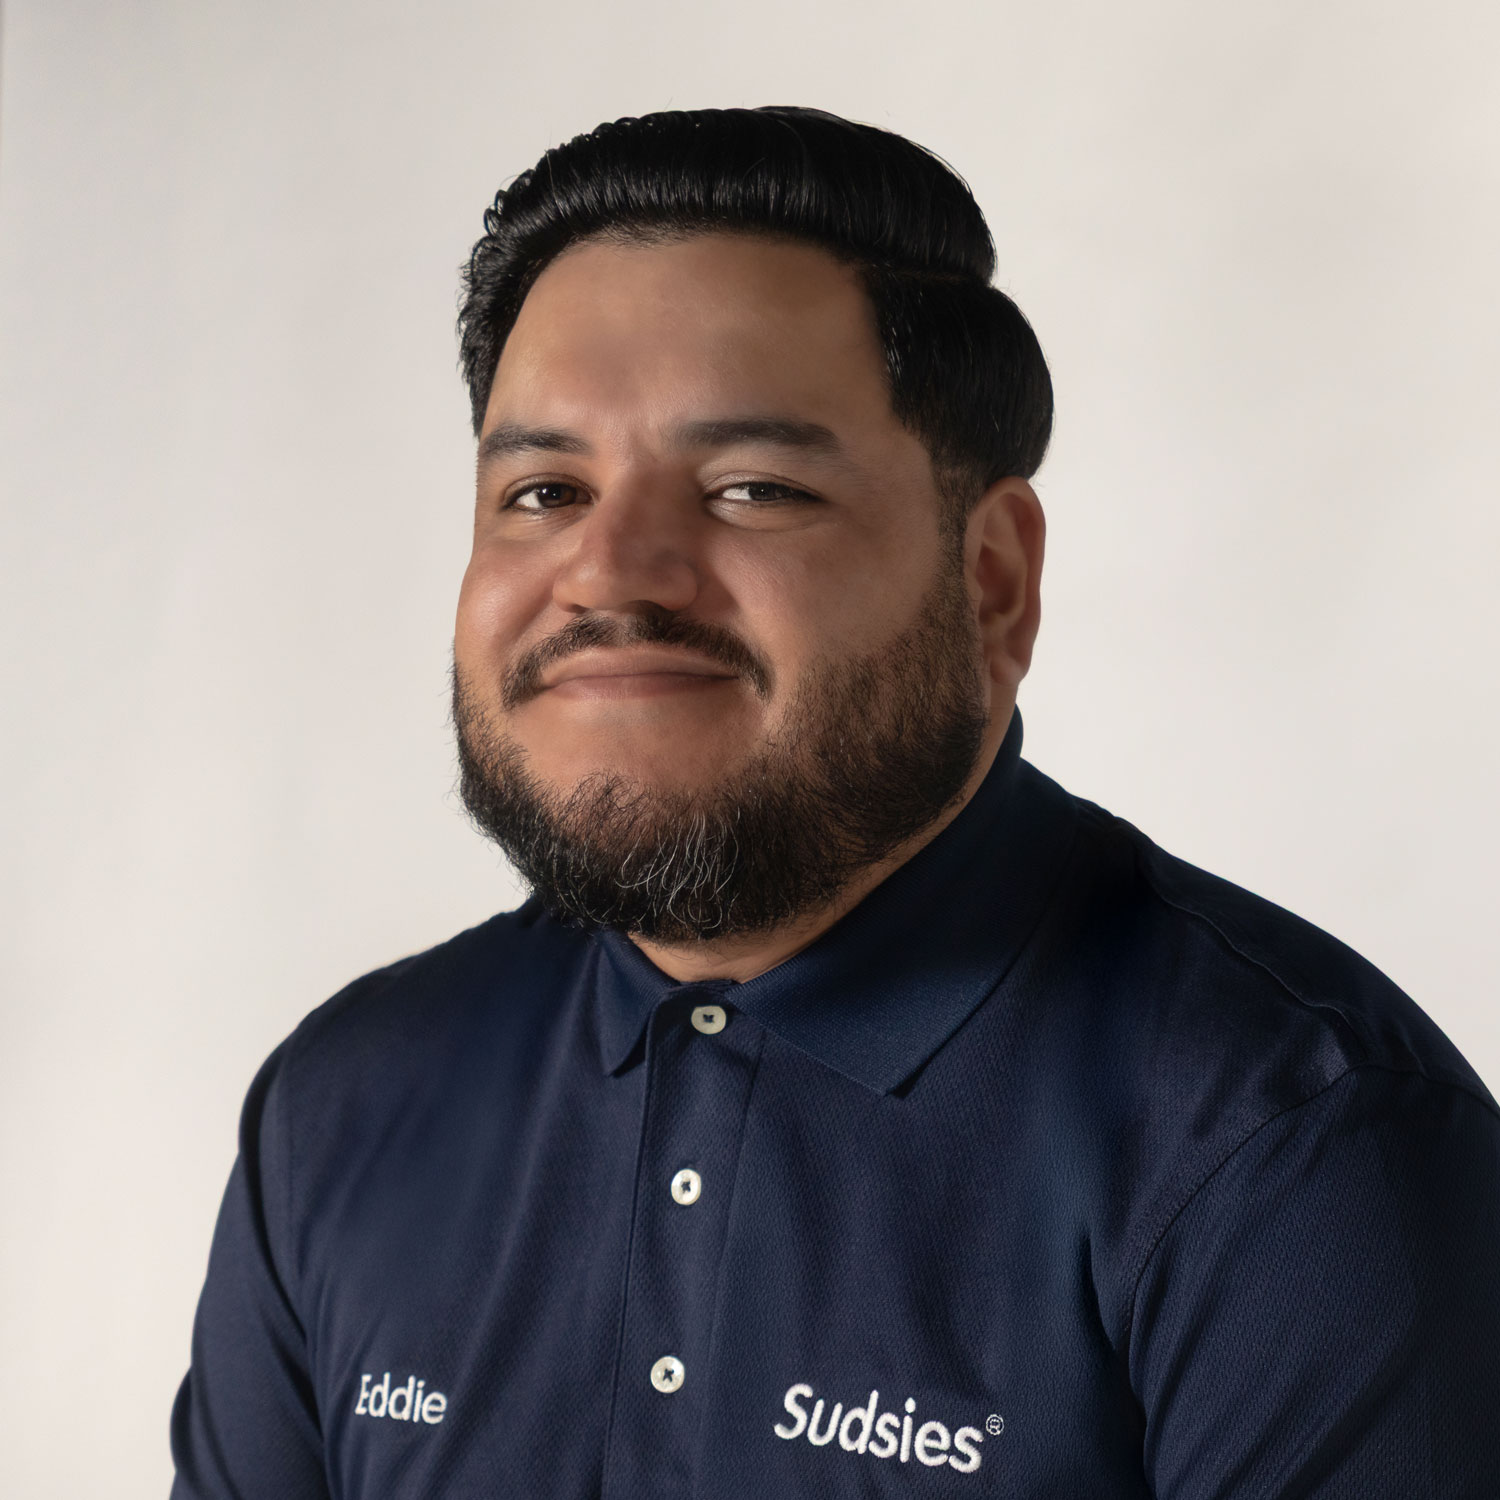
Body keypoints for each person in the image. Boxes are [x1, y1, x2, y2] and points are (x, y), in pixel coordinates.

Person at [169, 106, 1500, 1498]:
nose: (611, 573)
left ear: (990, 580)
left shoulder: (1296, 1157)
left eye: (753, 488)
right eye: (544, 489)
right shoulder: (343, 1105)